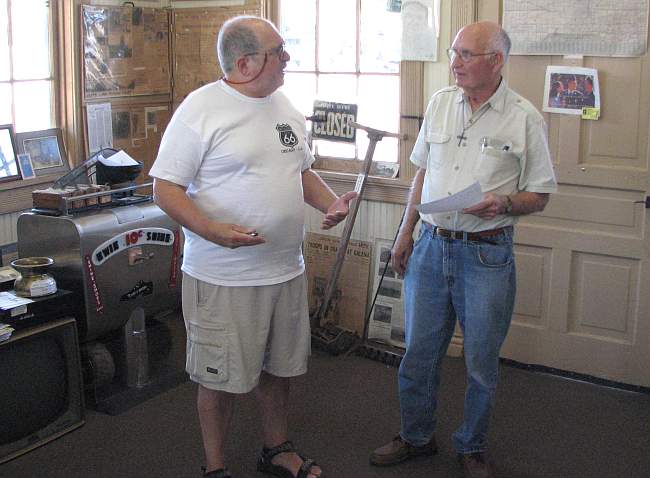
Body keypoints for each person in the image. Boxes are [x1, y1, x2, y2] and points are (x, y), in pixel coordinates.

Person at [150, 15, 356, 478]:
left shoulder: (283, 104)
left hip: (284, 269)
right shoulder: (200, 109)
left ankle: (276, 449)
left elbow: (299, 170)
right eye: (278, 51)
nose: (287, 58)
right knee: (218, 378)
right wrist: (209, 230)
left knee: (279, 370)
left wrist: (329, 204)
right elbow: (165, 189)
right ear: (244, 63)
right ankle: (215, 468)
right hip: (224, 277)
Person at [370, 21, 557, 478]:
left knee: (480, 361)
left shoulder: (523, 117)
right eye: (454, 53)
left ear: (496, 60)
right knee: (418, 353)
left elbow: (541, 193)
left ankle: (472, 446)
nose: (454, 62)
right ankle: (416, 436)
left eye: (466, 54)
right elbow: (420, 174)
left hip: (486, 255)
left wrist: (505, 203)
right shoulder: (438, 104)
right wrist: (405, 231)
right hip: (432, 247)